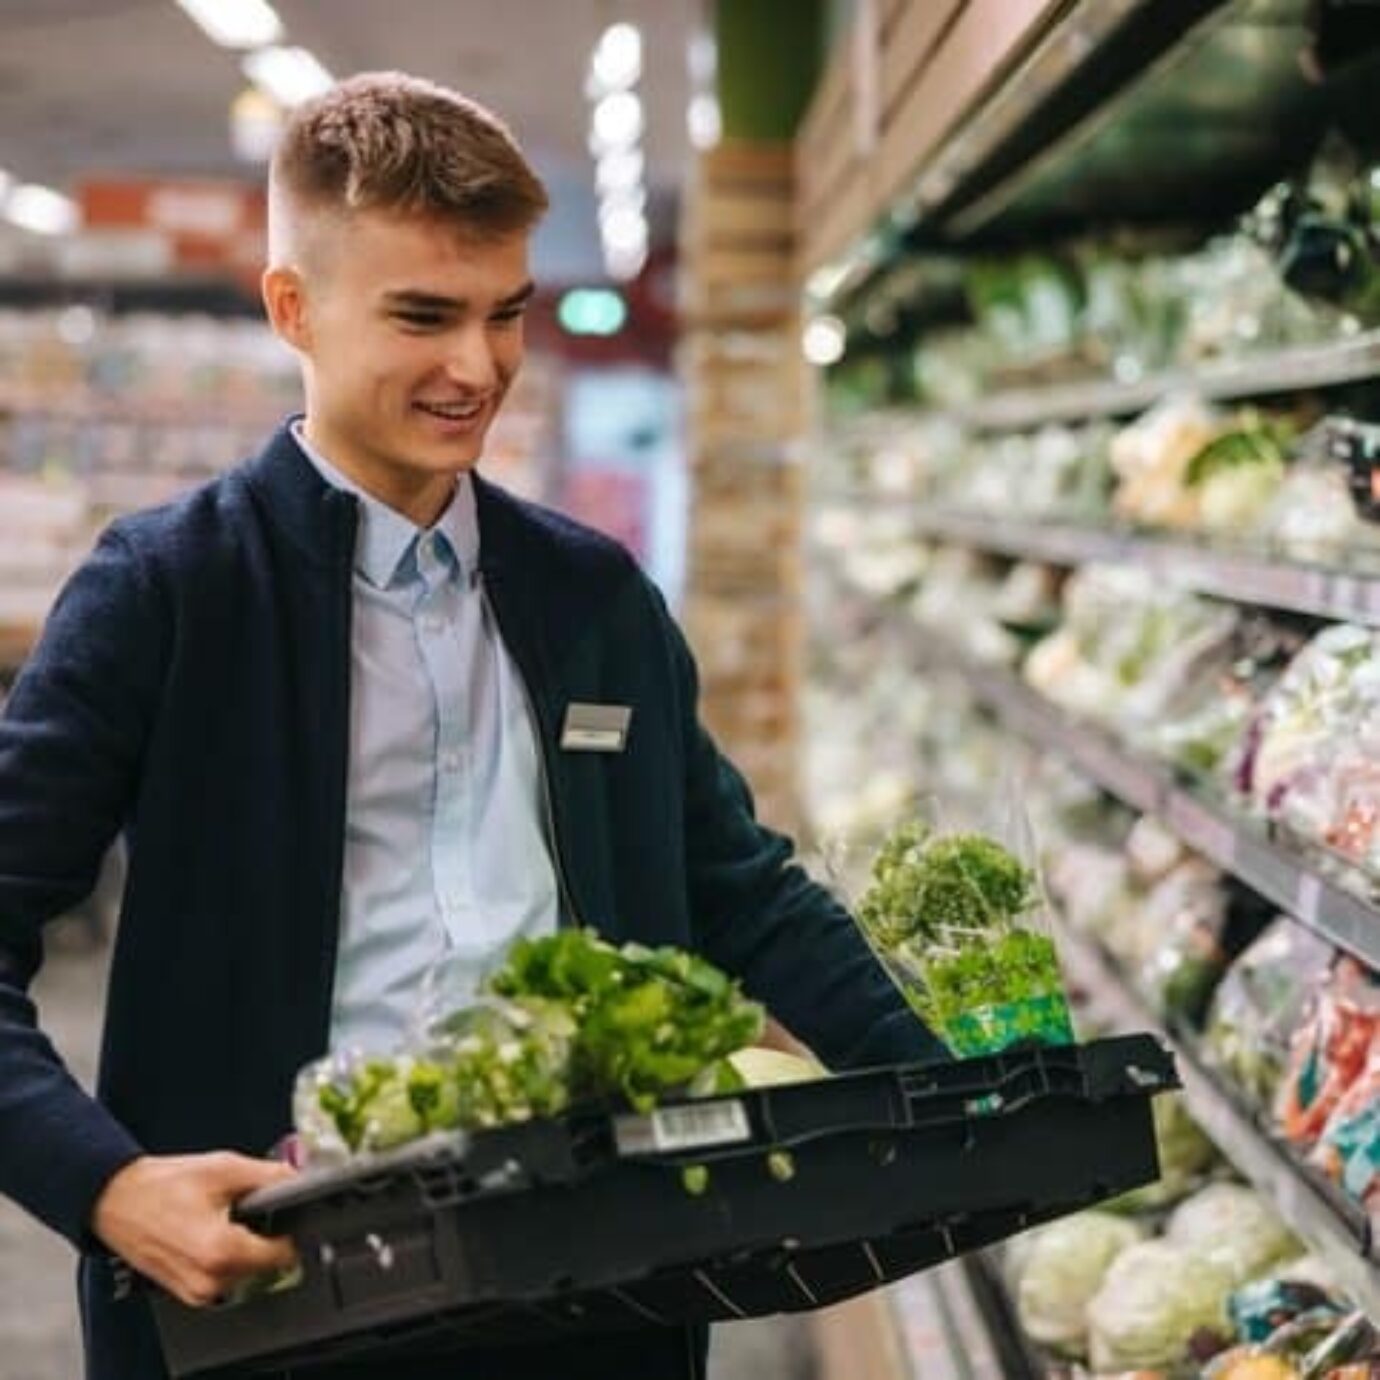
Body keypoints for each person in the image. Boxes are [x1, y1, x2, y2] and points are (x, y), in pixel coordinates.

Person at [0, 72, 946, 1380]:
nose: (480, 366)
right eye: (423, 316)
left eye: (507, 313)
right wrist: (104, 1189)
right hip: (275, 1293)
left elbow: (740, 889)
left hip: (596, 1279)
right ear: (295, 310)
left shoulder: (592, 595)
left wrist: (958, 1089)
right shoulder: (170, 591)